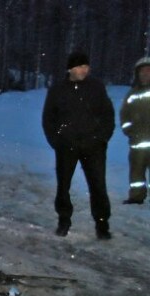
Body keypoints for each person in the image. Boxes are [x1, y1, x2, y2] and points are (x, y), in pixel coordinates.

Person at [42, 51, 115, 240]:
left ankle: (102, 224)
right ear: (70, 69)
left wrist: (102, 138)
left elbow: (108, 115)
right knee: (63, 186)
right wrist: (56, 140)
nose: (85, 70)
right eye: (80, 66)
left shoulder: (96, 87)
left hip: (94, 146)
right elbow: (48, 118)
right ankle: (64, 220)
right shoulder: (58, 89)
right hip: (67, 146)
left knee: (98, 186)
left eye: (86, 66)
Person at [120, 56, 150, 204]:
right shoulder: (132, 94)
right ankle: (136, 196)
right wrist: (129, 130)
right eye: (142, 71)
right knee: (136, 172)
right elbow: (124, 115)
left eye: (148, 71)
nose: (145, 74)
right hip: (137, 142)